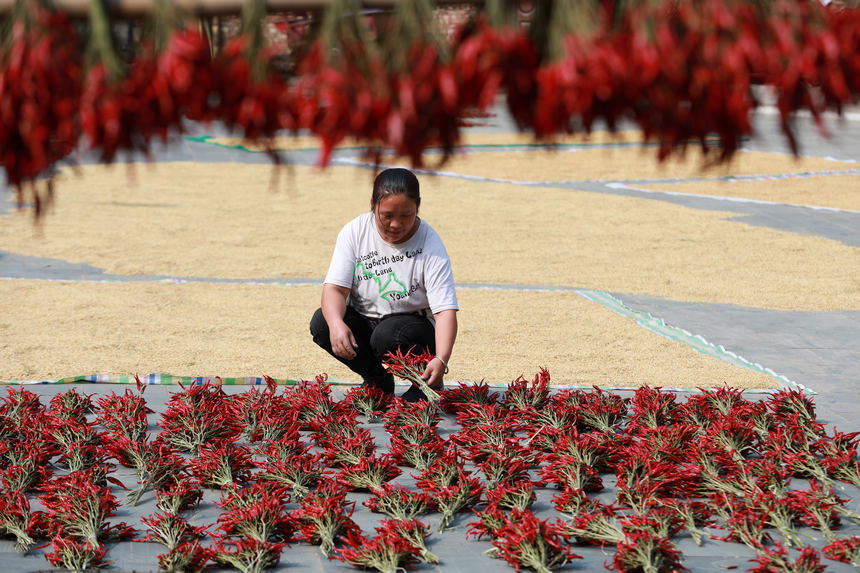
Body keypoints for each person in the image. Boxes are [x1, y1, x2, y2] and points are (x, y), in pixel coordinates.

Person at [309, 167, 458, 402]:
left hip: (412, 329)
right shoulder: (355, 231)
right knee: (323, 322)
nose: (396, 224)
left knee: (387, 334)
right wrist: (336, 324)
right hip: (367, 321)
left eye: (406, 215)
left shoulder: (430, 243)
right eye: (387, 215)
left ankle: (425, 382)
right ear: (373, 204)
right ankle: (378, 380)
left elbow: (445, 311)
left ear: (418, 207)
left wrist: (441, 358)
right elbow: (335, 289)